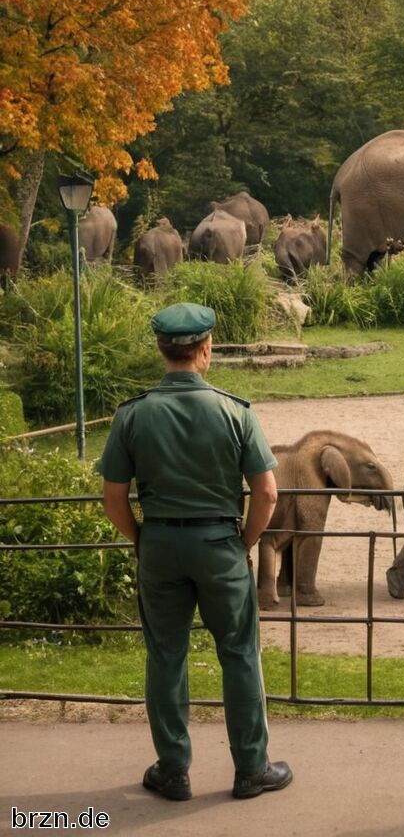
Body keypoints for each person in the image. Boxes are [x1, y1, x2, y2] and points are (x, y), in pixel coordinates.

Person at [99, 302, 292, 801]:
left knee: (165, 656)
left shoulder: (132, 414)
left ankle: (173, 770)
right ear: (205, 350)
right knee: (239, 654)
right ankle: (251, 769)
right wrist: (245, 542)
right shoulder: (235, 412)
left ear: (162, 350)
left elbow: (114, 498)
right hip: (220, 545)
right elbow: (267, 493)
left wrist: (143, 539)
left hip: (161, 543)